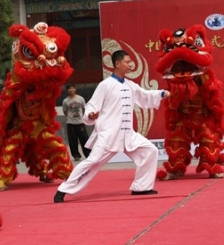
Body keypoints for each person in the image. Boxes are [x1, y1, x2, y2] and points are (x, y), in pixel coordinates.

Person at [53, 50, 168, 203]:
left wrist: (160, 94)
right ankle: (63, 189)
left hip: (128, 135)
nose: (130, 65)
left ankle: (141, 187)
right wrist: (91, 115)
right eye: (127, 62)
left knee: (150, 151)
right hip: (109, 135)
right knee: (92, 162)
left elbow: (144, 96)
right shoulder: (105, 85)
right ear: (117, 64)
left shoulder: (130, 85)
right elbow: (91, 106)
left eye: (130, 62)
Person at [62, 84, 90, 160]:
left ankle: (88, 154)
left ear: (75, 89)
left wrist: (81, 117)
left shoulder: (80, 99)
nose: (70, 90)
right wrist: (70, 118)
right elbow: (65, 112)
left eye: (72, 88)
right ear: (67, 90)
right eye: (69, 89)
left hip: (80, 122)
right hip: (70, 123)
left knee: (84, 139)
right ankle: (76, 155)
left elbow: (84, 109)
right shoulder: (65, 101)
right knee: (73, 140)